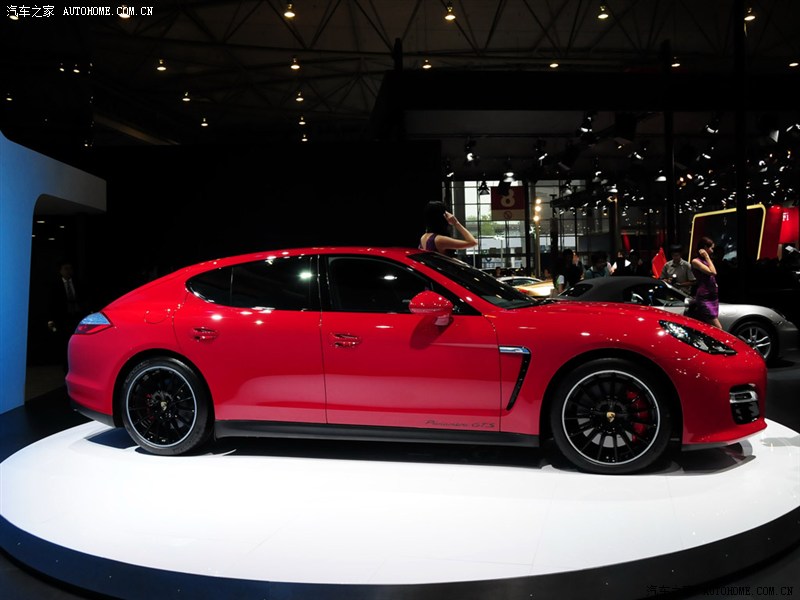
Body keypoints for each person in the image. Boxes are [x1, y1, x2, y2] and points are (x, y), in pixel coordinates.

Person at [47, 261, 88, 372]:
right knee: (65, 343)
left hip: (77, 317)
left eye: (70, 268)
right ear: (60, 271)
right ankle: (67, 369)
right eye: (66, 268)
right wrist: (51, 320)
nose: (68, 271)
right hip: (64, 319)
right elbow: (51, 303)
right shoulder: (55, 285)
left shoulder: (78, 283)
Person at [688, 236, 721, 329]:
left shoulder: (707, 261)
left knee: (709, 327)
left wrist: (707, 258)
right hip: (705, 297)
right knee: (718, 328)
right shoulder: (695, 261)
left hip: (713, 296)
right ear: (705, 248)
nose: (712, 251)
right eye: (711, 248)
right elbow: (713, 272)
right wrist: (707, 256)